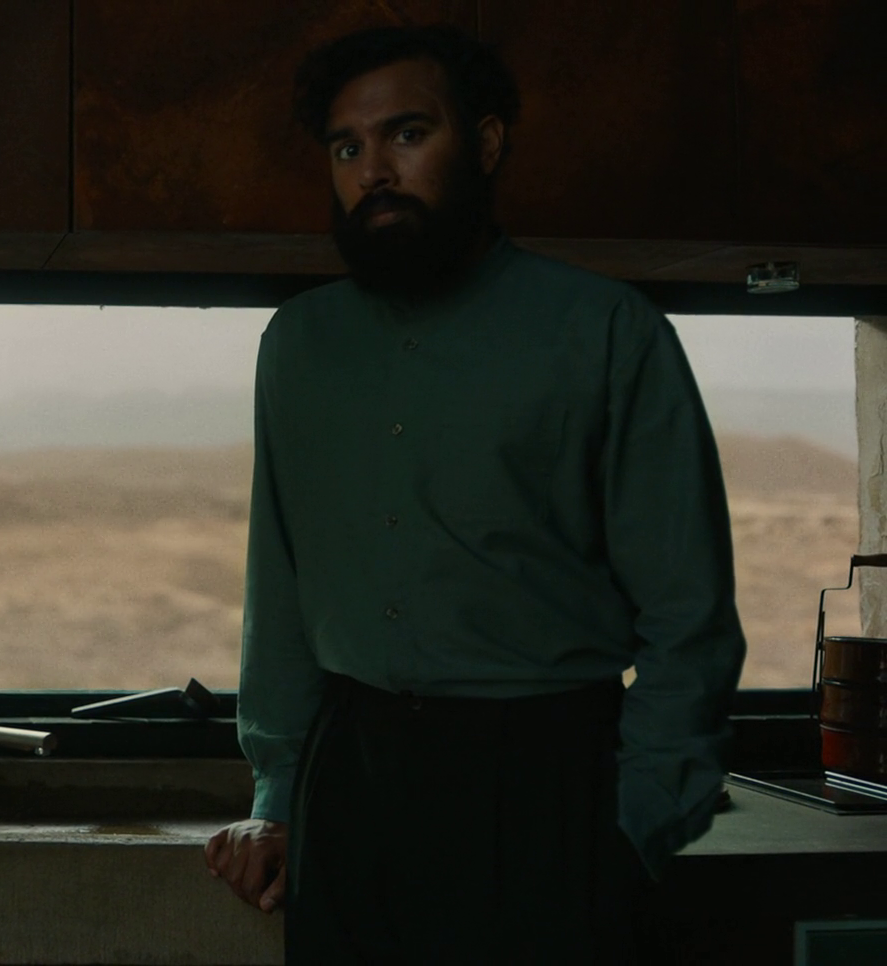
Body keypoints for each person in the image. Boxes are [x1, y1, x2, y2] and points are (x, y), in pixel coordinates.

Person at [201, 25, 746, 964]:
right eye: (347, 148)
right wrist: (279, 798)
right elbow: (280, 591)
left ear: (486, 144)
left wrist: (636, 821)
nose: (375, 170)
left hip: (544, 785)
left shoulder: (607, 332)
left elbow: (688, 613)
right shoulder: (298, 346)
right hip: (350, 788)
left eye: (407, 134)